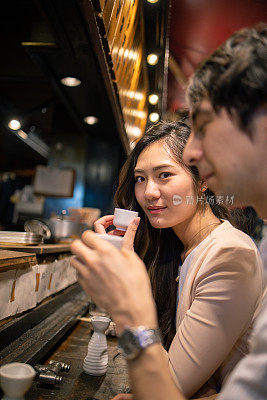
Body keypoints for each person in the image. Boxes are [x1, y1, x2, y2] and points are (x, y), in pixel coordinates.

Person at [70, 24, 267, 400]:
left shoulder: (229, 253)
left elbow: (165, 389)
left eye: (164, 175)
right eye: (140, 179)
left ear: (201, 181)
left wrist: (129, 310)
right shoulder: (178, 248)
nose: (149, 192)